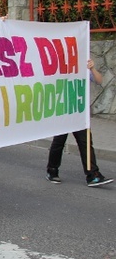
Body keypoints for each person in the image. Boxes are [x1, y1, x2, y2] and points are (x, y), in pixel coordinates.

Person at [46, 58, 113, 187]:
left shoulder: (84, 67)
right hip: (64, 111)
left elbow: (99, 81)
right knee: (59, 142)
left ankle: (92, 175)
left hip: (80, 113)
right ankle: (52, 171)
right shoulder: (62, 67)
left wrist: (92, 68)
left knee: (86, 143)